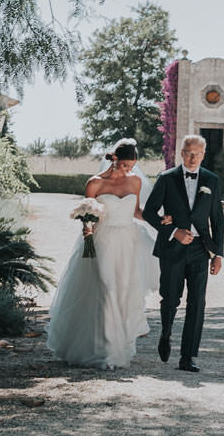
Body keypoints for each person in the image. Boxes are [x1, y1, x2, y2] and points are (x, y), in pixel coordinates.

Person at [47, 139, 159, 369]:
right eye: (126, 165)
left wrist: (161, 222)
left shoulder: (135, 182)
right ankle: (105, 352)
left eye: (133, 165)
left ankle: (118, 347)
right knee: (105, 288)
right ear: (115, 159)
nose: (130, 169)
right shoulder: (95, 183)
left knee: (122, 292)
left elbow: (136, 211)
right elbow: (88, 217)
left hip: (127, 241)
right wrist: (88, 240)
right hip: (102, 241)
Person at [143, 134, 224, 372]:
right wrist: (172, 231)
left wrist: (218, 254)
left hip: (201, 249)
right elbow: (149, 212)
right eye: (188, 152)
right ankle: (166, 335)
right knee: (170, 299)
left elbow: (217, 220)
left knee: (197, 302)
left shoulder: (212, 180)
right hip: (172, 248)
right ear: (181, 153)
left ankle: (188, 357)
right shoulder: (167, 178)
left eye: (197, 154)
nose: (192, 157)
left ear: (203, 155)